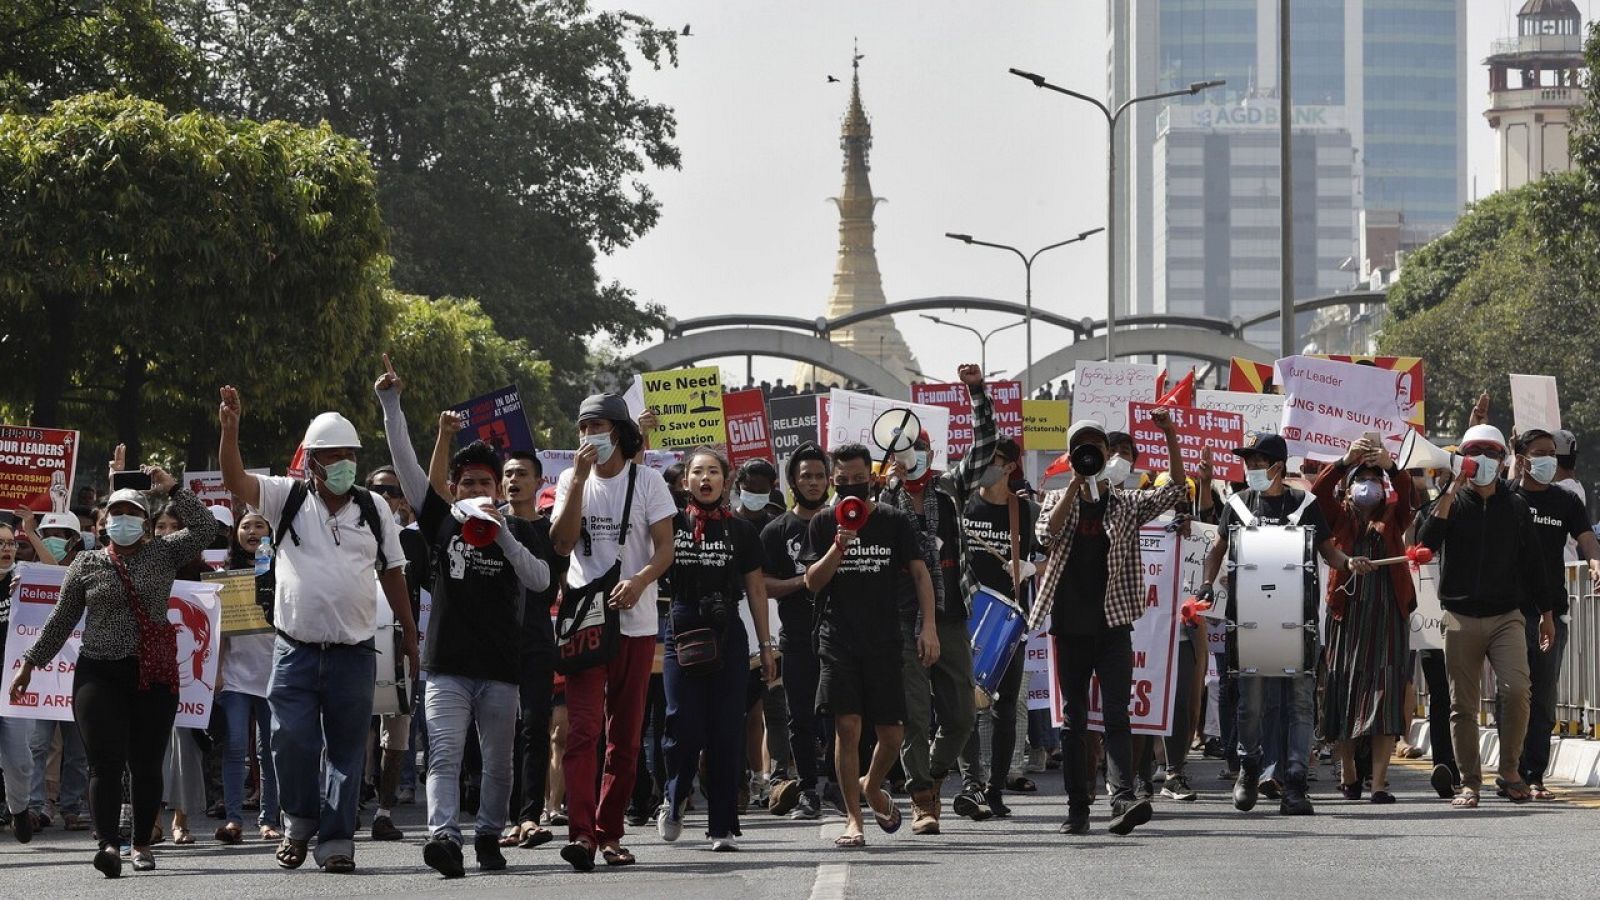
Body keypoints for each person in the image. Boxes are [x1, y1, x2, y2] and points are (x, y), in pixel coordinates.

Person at [218, 385, 418, 873]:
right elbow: (236, 480)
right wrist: (230, 431)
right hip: (294, 652)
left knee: (348, 750)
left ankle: (335, 842)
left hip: (354, 651)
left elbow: (393, 572)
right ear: (312, 460)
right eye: (334, 456)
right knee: (289, 741)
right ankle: (297, 823)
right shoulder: (285, 498)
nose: (345, 463)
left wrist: (411, 636)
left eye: (350, 454)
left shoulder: (374, 508)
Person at [376, 360, 551, 876]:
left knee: (498, 764)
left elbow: (541, 580)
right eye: (467, 482)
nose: (477, 490)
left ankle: (490, 834)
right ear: (454, 488)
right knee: (446, 754)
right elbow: (406, 463)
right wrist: (391, 404)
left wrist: (501, 535)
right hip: (448, 666)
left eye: (486, 483)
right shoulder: (441, 522)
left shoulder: (514, 528)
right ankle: (444, 837)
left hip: (500, 669)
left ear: (499, 489)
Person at [8, 474, 217, 877]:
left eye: (132, 512)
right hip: (98, 674)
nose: (124, 519)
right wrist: (30, 663)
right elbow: (61, 619)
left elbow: (205, 528)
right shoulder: (87, 563)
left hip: (151, 675)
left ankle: (141, 842)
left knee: (146, 762)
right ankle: (109, 844)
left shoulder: (163, 553)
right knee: (104, 763)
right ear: (104, 521)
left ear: (145, 519)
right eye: (116, 512)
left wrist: (173, 489)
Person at [1200, 433, 1366, 817]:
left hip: (1298, 624)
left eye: (1257, 462)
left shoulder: (1304, 504)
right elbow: (1217, 551)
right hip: (1248, 624)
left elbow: (1328, 551)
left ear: (1277, 465)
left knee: (1300, 705)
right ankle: (1249, 768)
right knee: (1251, 708)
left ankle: (1294, 783)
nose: (1251, 468)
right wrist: (1208, 584)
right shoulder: (1237, 506)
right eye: (1248, 462)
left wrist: (1349, 562)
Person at [1036, 413, 1185, 836]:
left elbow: (1175, 490)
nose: (1090, 454)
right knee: (1075, 719)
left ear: (1106, 454)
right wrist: (1075, 485)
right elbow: (1047, 533)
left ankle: (1121, 798)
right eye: (1081, 448)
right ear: (1070, 455)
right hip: (1069, 626)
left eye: (1095, 448)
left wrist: (1170, 436)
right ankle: (1077, 807)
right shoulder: (1055, 497)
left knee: (1119, 714)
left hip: (1113, 623)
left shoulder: (1126, 502)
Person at [549, 394, 676, 871]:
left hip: (637, 624)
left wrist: (641, 579)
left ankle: (610, 833)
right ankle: (580, 834)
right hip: (587, 622)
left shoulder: (648, 481)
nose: (587, 437)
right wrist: (579, 480)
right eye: (581, 427)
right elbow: (561, 543)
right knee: (582, 731)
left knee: (624, 736)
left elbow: (664, 549)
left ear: (619, 431)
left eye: (596, 426)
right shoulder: (568, 479)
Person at [801, 442, 940, 849]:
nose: (851, 488)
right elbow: (812, 582)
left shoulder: (895, 521)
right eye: (843, 482)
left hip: (884, 637)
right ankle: (853, 820)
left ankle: (872, 784)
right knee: (847, 727)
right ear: (832, 480)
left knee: (893, 734)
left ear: (871, 478)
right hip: (838, 638)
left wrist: (928, 626)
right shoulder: (823, 521)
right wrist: (839, 544)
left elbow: (920, 573)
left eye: (859, 480)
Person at [874, 364, 993, 836]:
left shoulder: (950, 488)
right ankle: (923, 800)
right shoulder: (883, 498)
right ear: (896, 457)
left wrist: (976, 391)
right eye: (907, 450)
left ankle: (934, 775)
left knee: (962, 714)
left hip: (950, 615)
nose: (915, 456)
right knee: (914, 717)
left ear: (929, 450)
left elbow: (984, 446)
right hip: (903, 618)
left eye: (920, 448)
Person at [1415, 423, 1554, 809]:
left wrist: (1546, 613)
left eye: (1492, 453)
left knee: (1516, 690)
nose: (1484, 460)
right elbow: (1426, 544)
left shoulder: (1516, 508)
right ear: (1464, 458)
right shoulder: (1452, 503)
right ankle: (1470, 783)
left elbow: (1534, 564)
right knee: (1462, 706)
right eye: (1475, 452)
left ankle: (1509, 772)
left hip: (1507, 615)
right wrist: (1451, 490)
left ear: (1502, 458)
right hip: (1460, 616)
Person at [656, 447, 776, 851]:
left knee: (727, 732)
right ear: (685, 480)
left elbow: (757, 589)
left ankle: (722, 825)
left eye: (713, 472)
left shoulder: (742, 531)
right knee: (682, 724)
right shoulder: (669, 524)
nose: (705, 479)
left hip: (729, 634)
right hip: (682, 631)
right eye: (697, 472)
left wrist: (766, 646)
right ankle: (673, 800)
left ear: (726, 481)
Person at [1311, 437, 1417, 803]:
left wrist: (1392, 466)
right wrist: (1344, 462)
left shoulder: (1393, 513)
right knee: (1342, 687)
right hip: (1347, 616)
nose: (1368, 484)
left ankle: (1380, 781)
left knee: (1385, 691)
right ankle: (1350, 774)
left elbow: (1410, 498)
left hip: (1388, 614)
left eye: (1375, 477)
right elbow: (1317, 495)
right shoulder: (1339, 515)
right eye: (1362, 476)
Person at [1509, 427, 1600, 799]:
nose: (1548, 460)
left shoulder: (1565, 501)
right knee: (1513, 695)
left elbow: (1587, 539)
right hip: (1509, 615)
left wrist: (1595, 562)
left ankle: (1533, 775)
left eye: (1553, 454)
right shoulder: (1506, 498)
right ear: (1521, 457)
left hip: (1552, 614)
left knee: (1543, 697)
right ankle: (1509, 772)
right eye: (1540, 452)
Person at [955, 438, 1035, 818]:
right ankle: (972, 782)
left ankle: (996, 786)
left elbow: (1045, 557)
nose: (984, 464)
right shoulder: (962, 504)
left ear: (1010, 467)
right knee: (965, 706)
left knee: (1004, 711)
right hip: (965, 614)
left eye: (994, 460)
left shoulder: (1024, 511)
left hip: (1007, 623)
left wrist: (1033, 568)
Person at [761, 444, 832, 820]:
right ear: (792, 481)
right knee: (799, 717)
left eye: (820, 475)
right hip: (797, 636)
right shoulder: (776, 531)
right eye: (806, 475)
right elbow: (764, 586)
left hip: (841, 637)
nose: (814, 482)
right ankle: (807, 789)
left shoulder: (844, 524)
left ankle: (840, 784)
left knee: (843, 715)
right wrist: (804, 581)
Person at [500, 450, 565, 848]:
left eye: (522, 474)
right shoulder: (487, 526)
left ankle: (529, 816)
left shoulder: (552, 533)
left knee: (536, 727)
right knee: (500, 733)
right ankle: (505, 818)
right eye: (507, 474)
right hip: (497, 644)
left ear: (538, 482)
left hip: (540, 640)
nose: (513, 481)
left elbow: (563, 585)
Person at [363, 464, 431, 841]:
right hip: (354, 645)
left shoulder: (414, 543)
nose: (385, 497)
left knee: (398, 735)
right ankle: (342, 805)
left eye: (392, 490)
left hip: (400, 649)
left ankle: (384, 812)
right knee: (350, 732)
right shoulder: (352, 533)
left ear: (404, 498)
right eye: (377, 489)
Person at [215, 510, 282, 844]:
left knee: (269, 750)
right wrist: (216, 674)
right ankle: (233, 820)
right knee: (235, 746)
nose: (252, 531)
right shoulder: (226, 576)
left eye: (259, 525)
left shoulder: (284, 570)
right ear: (236, 534)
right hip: (235, 678)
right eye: (245, 526)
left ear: (270, 531)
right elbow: (221, 633)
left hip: (275, 675)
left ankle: (269, 819)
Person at [27, 511, 92, 834]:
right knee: (38, 744)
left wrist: (32, 533)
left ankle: (71, 807)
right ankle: (37, 806)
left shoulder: (87, 572)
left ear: (75, 539)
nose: (55, 538)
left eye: (62, 532)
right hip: (41, 676)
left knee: (77, 749)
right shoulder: (29, 574)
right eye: (47, 533)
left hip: (77, 673)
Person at [1, 512, 51, 843]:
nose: (7, 549)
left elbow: (57, 571)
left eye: (10, 543)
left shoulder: (23, 577)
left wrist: (31, 534)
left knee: (19, 761)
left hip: (12, 684)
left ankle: (18, 809)